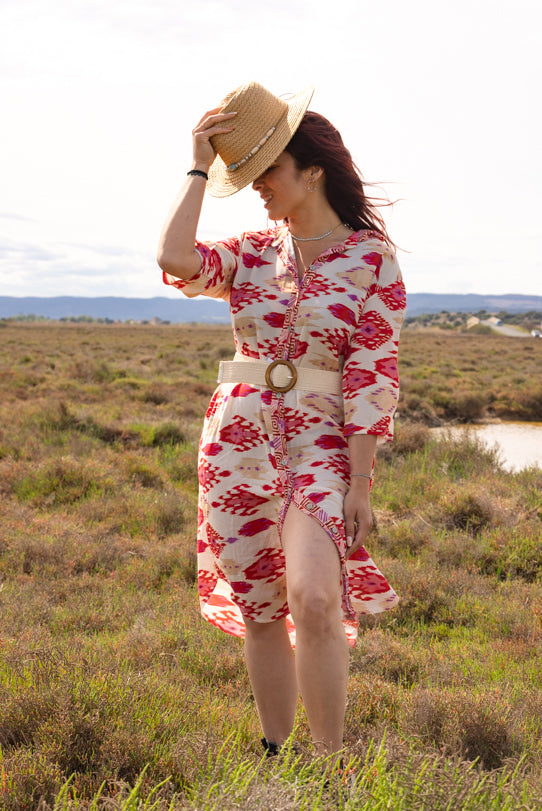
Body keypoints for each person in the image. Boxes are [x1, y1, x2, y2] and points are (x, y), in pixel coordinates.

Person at [157, 81, 406, 757]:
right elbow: (175, 261)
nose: (259, 188)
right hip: (237, 443)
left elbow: (372, 373)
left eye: (267, 172)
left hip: (324, 446)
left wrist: (361, 481)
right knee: (262, 608)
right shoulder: (250, 252)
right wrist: (198, 168)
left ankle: (329, 768)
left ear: (313, 169)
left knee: (315, 596)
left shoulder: (371, 260)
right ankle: (278, 754)